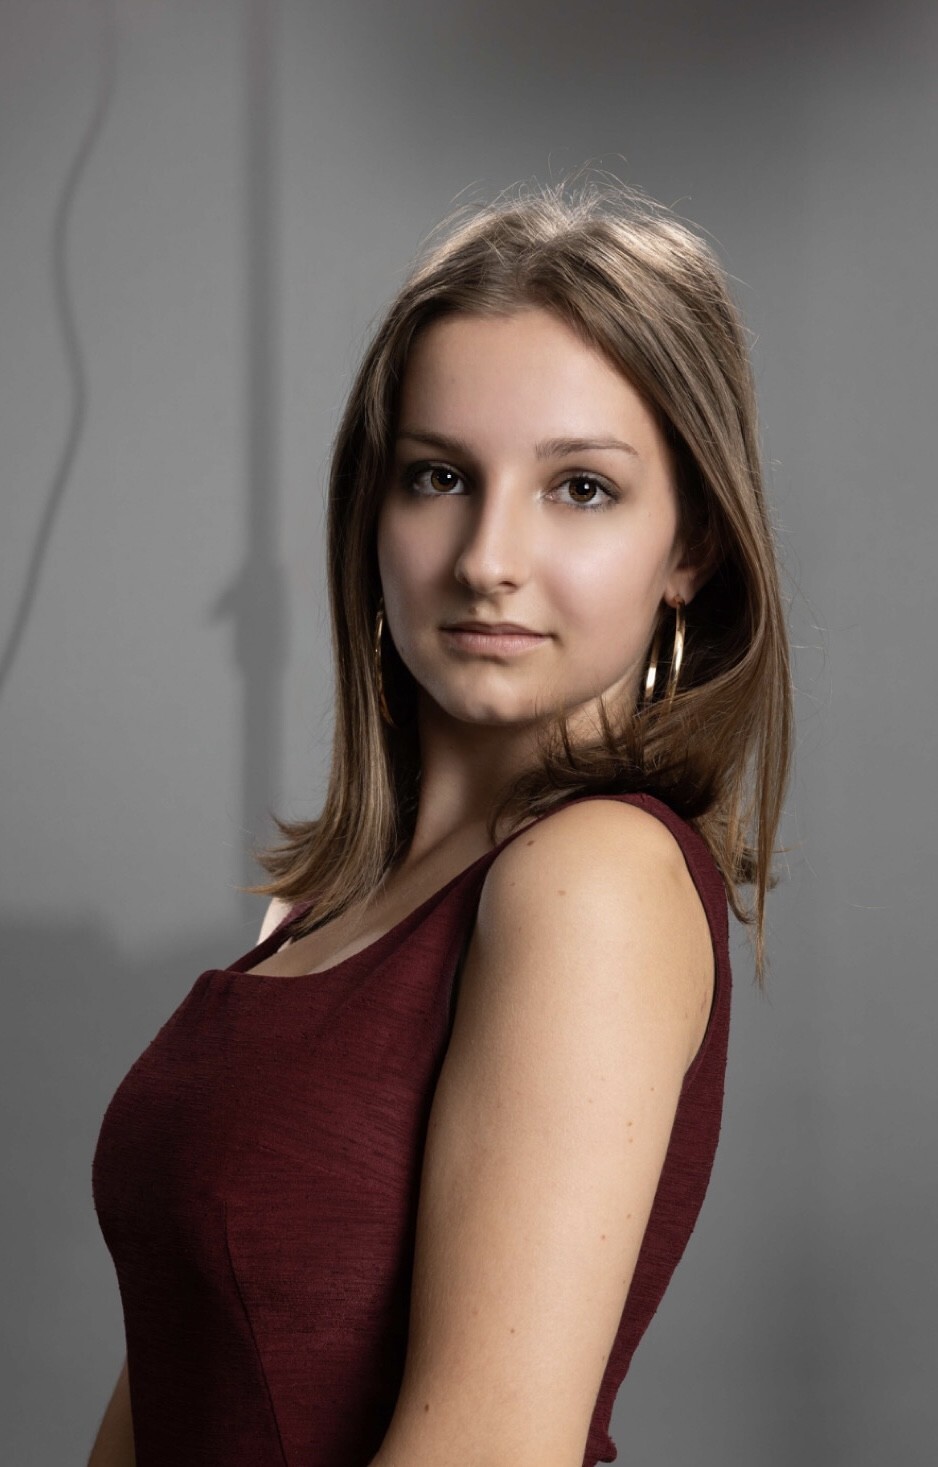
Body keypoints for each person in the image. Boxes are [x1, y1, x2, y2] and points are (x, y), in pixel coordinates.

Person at [88, 176, 792, 1467]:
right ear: (374, 511)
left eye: (580, 488)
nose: (486, 558)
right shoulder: (328, 909)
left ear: (689, 544)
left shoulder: (594, 877)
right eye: (439, 477)